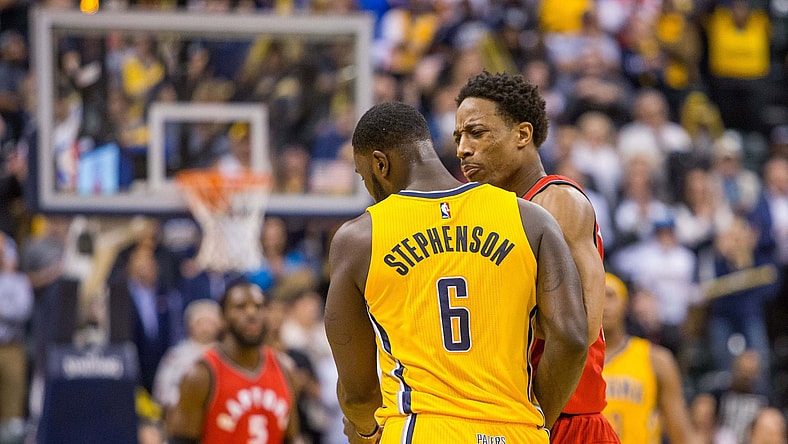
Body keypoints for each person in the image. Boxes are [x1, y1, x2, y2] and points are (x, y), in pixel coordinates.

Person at [324, 101, 587, 443]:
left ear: (380, 164)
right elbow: (572, 338)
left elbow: (358, 392)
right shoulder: (530, 219)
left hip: (422, 430)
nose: (369, 189)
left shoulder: (360, 238)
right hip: (516, 431)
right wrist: (536, 420)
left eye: (365, 178)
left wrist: (365, 431)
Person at [454, 71, 617, 442]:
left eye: (476, 133)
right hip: (501, 417)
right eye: (459, 136)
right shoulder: (480, 212)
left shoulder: (558, 201)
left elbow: (581, 327)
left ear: (522, 135)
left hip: (565, 419)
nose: (463, 148)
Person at [166, 279, 301, 443]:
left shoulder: (285, 370)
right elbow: (180, 440)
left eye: (259, 307)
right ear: (222, 318)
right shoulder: (201, 375)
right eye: (240, 307)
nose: (251, 314)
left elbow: (292, 438)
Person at [601, 272, 699, 444]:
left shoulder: (656, 359)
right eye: (597, 297)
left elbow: (680, 433)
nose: (603, 305)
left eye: (610, 296)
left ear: (626, 304)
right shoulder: (574, 362)